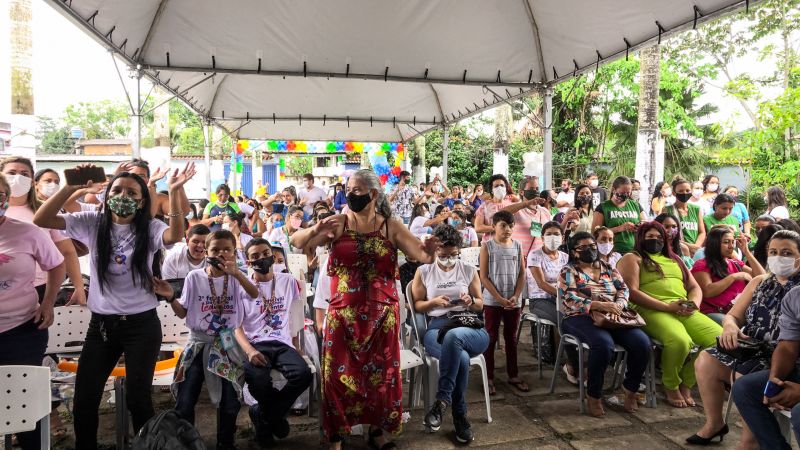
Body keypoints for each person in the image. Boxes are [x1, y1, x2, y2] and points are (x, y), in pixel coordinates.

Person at [33, 163, 192, 449]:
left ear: (142, 201)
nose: (123, 195)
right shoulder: (93, 222)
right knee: (84, 399)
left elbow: (175, 235)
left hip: (142, 326)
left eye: (132, 192)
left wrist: (177, 191)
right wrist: (70, 188)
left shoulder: (150, 227)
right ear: (107, 195)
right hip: (102, 327)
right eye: (117, 190)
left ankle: (145, 445)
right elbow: (42, 218)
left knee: (138, 399)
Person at [289, 169, 440, 449]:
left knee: (381, 376)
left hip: (382, 316)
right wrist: (315, 230)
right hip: (342, 314)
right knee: (336, 376)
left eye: (356, 190)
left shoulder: (390, 226)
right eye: (348, 188)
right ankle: (335, 435)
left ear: (373, 194)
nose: (350, 194)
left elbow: (422, 255)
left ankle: (377, 432)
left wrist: (429, 249)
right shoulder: (338, 223)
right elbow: (296, 242)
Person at [686, 230, 800, 446]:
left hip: (781, 356)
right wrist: (729, 327)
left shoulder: (797, 290)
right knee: (706, 359)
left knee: (742, 377)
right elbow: (734, 315)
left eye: (786, 253)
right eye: (773, 252)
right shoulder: (761, 282)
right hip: (751, 347)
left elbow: (789, 346)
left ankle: (750, 440)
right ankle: (715, 423)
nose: (778, 258)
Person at [167, 229, 258, 450]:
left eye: (227, 250)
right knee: (186, 399)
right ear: (206, 252)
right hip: (198, 344)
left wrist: (237, 274)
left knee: (230, 401)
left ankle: (225, 442)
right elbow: (182, 312)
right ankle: (187, 442)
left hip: (227, 346)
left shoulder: (237, 277)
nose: (221, 254)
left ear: (234, 253)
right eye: (215, 249)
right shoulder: (194, 277)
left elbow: (254, 294)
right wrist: (170, 297)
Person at [618, 222, 722, 408]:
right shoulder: (632, 258)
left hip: (682, 308)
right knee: (680, 341)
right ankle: (671, 385)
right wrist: (667, 307)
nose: (655, 240)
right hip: (651, 310)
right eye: (650, 237)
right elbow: (632, 292)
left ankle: (687, 382)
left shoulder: (675, 259)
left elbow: (693, 287)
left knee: (719, 340)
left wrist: (694, 305)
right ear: (641, 238)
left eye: (659, 237)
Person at [0, 173, 66, 450]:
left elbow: (57, 264)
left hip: (21, 329)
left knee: (25, 407)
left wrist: (48, 302)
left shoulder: (27, 232)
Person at [558, 231, 652, 416]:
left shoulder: (609, 267)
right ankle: (594, 395)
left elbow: (623, 289)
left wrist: (619, 304)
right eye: (583, 248)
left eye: (592, 246)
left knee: (642, 343)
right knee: (603, 345)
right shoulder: (569, 270)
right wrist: (597, 304)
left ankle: (629, 390)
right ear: (574, 252)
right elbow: (568, 297)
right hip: (578, 316)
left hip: (613, 315)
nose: (590, 250)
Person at [411, 225, 488, 444]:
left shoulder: (467, 270)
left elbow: (480, 305)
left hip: (469, 326)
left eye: (453, 255)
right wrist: (433, 302)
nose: (448, 260)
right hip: (437, 327)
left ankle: (441, 402)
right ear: (435, 251)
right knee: (460, 357)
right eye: (443, 256)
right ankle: (459, 415)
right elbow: (417, 305)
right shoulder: (424, 271)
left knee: (455, 338)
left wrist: (470, 302)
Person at [236, 238, 312, 446]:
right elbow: (236, 326)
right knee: (258, 382)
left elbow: (295, 314)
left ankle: (263, 415)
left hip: (282, 343)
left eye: (266, 252)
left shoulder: (288, 281)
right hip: (256, 344)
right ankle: (273, 419)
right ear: (248, 261)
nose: (262, 258)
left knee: (303, 375)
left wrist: (296, 344)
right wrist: (249, 351)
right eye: (255, 256)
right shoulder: (242, 286)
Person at [732, 247, 800, 449]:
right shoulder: (795, 297)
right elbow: (788, 346)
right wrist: (774, 378)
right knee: (745, 388)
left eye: (787, 253)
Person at [1, 157, 86, 306]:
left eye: (24, 174)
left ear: (32, 181)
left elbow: (67, 251)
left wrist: (78, 286)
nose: (18, 178)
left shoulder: (46, 212)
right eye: (12, 173)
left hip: (41, 288)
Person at [479, 210, 528, 394]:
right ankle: (489, 376)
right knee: (490, 337)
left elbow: (522, 273)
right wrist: (499, 298)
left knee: (512, 337)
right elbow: (483, 277)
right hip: (493, 300)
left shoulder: (517, 246)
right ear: (494, 226)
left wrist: (516, 295)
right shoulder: (487, 246)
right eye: (503, 226)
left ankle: (513, 374)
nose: (507, 230)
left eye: (510, 226)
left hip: (514, 300)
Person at [526, 221, 577, 373]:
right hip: (539, 300)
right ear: (542, 237)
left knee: (578, 316)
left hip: (562, 299)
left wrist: (568, 296)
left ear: (562, 238)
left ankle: (571, 359)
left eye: (556, 234)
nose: (552, 237)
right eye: (549, 234)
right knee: (564, 319)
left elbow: (570, 281)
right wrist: (565, 295)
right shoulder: (535, 255)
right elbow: (541, 283)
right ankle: (572, 364)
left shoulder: (565, 257)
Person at [691, 226, 765, 324]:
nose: (731, 246)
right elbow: (708, 291)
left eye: (732, 241)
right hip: (714, 312)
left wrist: (746, 252)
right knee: (735, 327)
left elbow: (763, 278)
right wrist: (733, 277)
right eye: (726, 242)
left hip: (738, 312)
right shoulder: (702, 264)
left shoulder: (735, 263)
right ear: (714, 244)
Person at [592, 176, 647, 254]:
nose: (625, 195)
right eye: (622, 193)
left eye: (628, 193)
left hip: (635, 251)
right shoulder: (603, 207)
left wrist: (640, 226)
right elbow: (595, 233)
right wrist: (619, 228)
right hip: (613, 252)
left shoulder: (636, 205)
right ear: (614, 190)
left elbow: (646, 224)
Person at [501, 177, 551, 258]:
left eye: (537, 188)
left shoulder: (544, 211)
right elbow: (501, 214)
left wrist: (566, 219)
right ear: (521, 192)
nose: (535, 191)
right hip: (518, 258)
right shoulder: (515, 209)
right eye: (531, 188)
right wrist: (527, 203)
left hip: (539, 259)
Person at [665, 178, 706, 255]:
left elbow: (702, 232)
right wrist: (689, 246)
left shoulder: (696, 209)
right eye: (680, 191)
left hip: (695, 252)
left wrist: (696, 246)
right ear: (674, 193)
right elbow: (665, 233)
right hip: (677, 251)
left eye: (687, 190)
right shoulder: (667, 210)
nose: (684, 193)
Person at [474, 174, 516, 240]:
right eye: (496, 186)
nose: (499, 188)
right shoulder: (485, 206)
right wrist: (498, 228)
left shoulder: (512, 205)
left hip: (508, 245)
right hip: (489, 245)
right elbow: (478, 228)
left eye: (502, 185)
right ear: (491, 190)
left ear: (506, 188)